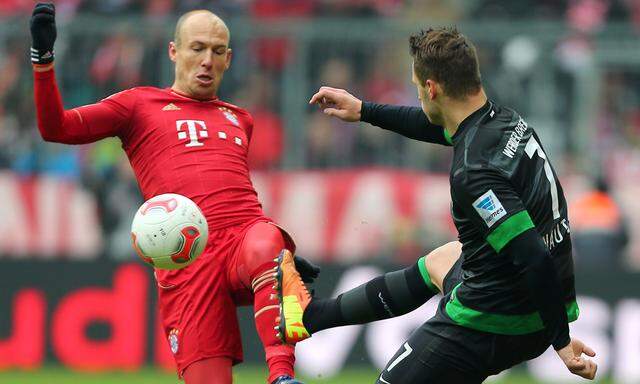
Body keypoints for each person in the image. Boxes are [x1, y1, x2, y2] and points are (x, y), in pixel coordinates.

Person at [275, 27, 598, 383]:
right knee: (442, 260)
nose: (417, 94)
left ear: (431, 88)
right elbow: (439, 126)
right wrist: (365, 110)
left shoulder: (474, 173)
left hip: (497, 318)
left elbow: (532, 256)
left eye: (417, 85)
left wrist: (561, 342)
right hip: (531, 297)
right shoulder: (503, 121)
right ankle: (312, 317)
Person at [29, 4, 319, 384]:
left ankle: (282, 376)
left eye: (217, 51)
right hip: (187, 263)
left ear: (229, 59)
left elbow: (231, 192)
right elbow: (57, 128)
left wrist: (277, 258)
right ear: (174, 51)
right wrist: (43, 62)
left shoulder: (239, 118)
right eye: (197, 48)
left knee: (267, 240)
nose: (206, 60)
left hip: (242, 241)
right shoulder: (137, 105)